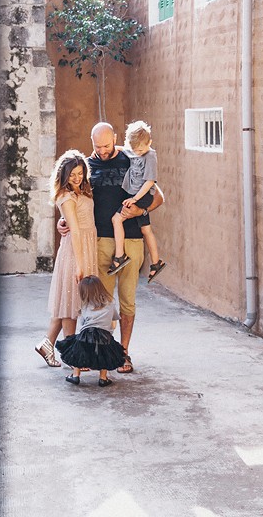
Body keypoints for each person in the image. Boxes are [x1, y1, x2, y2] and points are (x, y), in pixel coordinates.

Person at [59, 122, 163, 374]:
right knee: (98, 303)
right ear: (91, 142)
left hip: (132, 240)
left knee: (128, 301)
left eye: (107, 145)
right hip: (100, 242)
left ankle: (124, 354)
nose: (103, 151)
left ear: (115, 139)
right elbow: (74, 200)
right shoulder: (86, 167)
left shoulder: (131, 158)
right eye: (98, 146)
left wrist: (142, 209)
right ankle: (96, 354)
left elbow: (159, 196)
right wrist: (64, 221)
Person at [35, 149, 99, 368]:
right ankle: (73, 359)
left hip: (86, 249)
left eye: (80, 173)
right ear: (63, 175)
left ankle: (47, 344)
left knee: (68, 302)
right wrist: (81, 265)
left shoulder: (82, 191)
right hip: (75, 251)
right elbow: (76, 230)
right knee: (71, 305)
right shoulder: (65, 196)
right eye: (72, 174)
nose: (76, 178)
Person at [108, 120, 166, 284]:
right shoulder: (134, 149)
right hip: (136, 194)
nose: (137, 153)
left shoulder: (150, 155)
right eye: (134, 150)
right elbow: (123, 149)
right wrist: (111, 149)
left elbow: (150, 181)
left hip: (143, 195)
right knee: (146, 229)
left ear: (149, 143)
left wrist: (135, 199)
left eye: (141, 149)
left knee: (116, 219)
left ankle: (120, 256)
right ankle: (156, 263)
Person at [54, 275, 126, 387]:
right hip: (104, 335)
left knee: (78, 353)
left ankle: (75, 375)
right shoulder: (110, 303)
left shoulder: (85, 305)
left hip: (86, 335)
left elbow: (83, 323)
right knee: (105, 354)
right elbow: (113, 319)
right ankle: (103, 378)